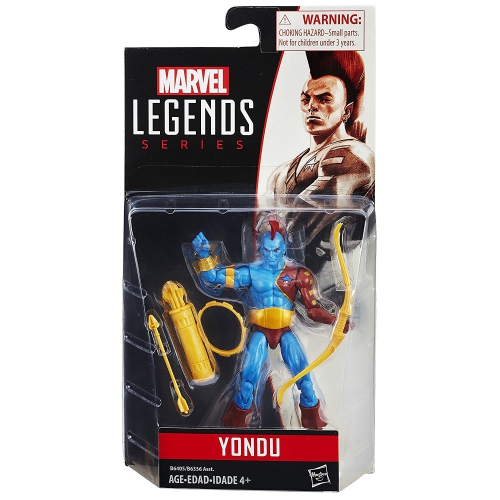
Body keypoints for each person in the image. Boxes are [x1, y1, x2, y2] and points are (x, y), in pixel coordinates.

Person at [191, 219, 344, 429]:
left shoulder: (298, 274)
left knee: (306, 384)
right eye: (267, 249)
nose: (272, 255)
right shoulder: (250, 273)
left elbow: (313, 310)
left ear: (284, 248)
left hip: (286, 331)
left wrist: (336, 320)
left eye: (276, 250)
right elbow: (213, 277)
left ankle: (313, 426)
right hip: (260, 332)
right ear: (261, 249)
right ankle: (237, 426)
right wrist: (203, 255)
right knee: (246, 386)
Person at [267, 51, 374, 200]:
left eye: (324, 99)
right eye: (306, 100)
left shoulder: (352, 155)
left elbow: (311, 208)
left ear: (347, 111)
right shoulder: (281, 173)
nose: (311, 106)